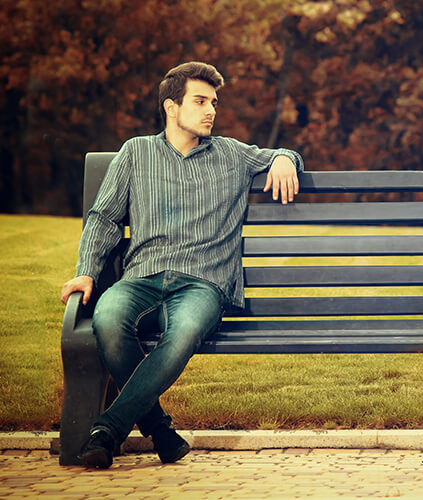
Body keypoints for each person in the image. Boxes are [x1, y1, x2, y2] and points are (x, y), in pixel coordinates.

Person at [60, 61, 304, 469]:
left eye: (214, 102)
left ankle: (107, 430)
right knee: (106, 318)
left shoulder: (231, 153)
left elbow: (283, 153)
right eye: (200, 101)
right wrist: (87, 269)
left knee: (184, 331)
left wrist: (284, 158)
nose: (211, 110)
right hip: (141, 277)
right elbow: (103, 217)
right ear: (171, 107)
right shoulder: (136, 152)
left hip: (203, 283)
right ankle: (161, 432)